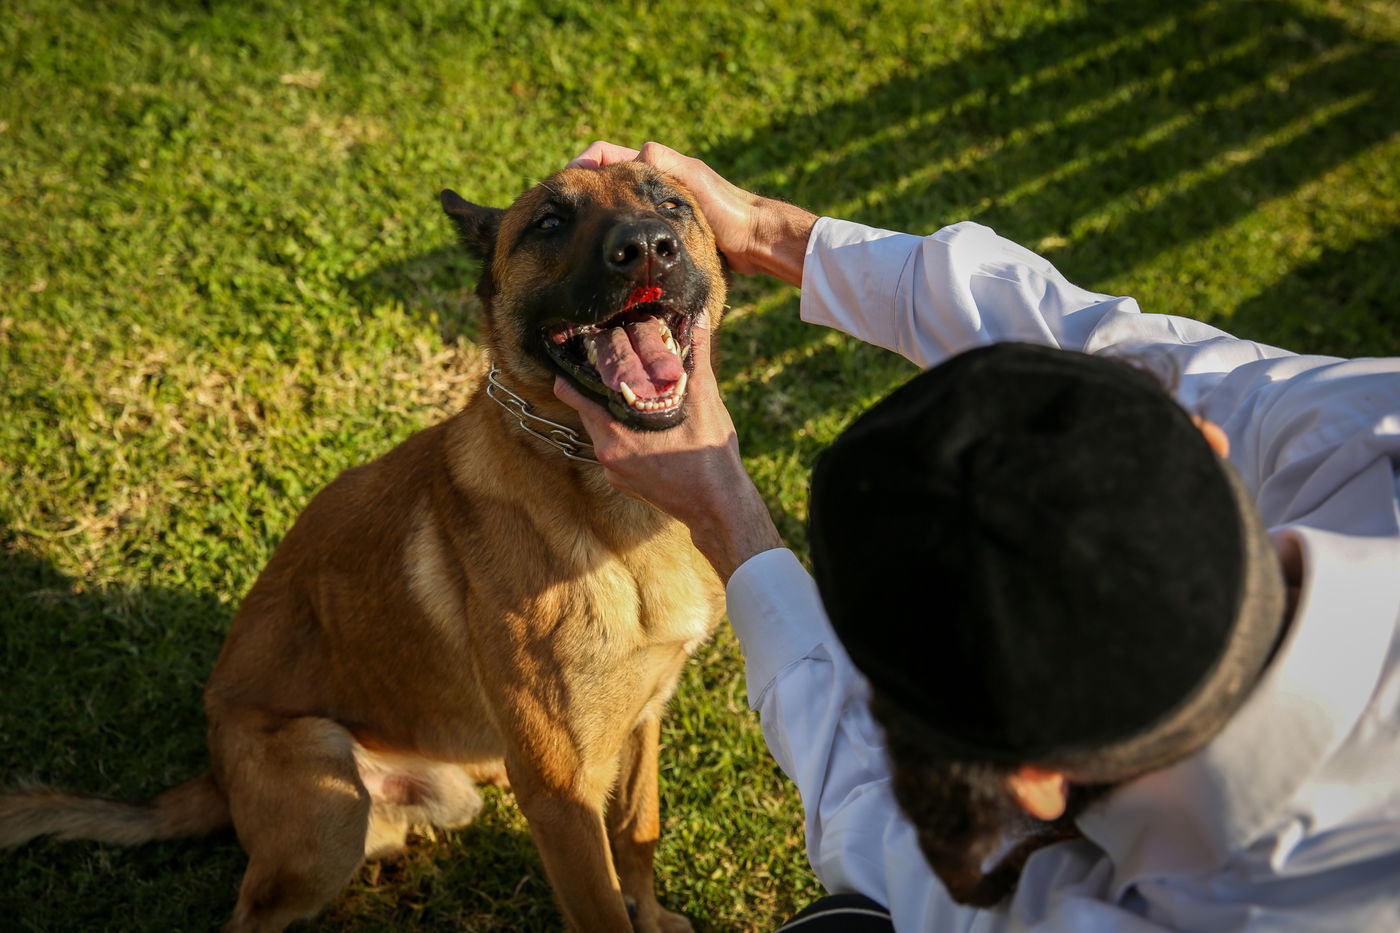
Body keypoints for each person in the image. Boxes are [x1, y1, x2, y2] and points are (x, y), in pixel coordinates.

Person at [554, 142, 1400, 931]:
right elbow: (1116, 349)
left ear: (1034, 783)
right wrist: (777, 234)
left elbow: (874, 815)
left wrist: (724, 514)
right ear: (1199, 442)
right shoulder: (1373, 439)